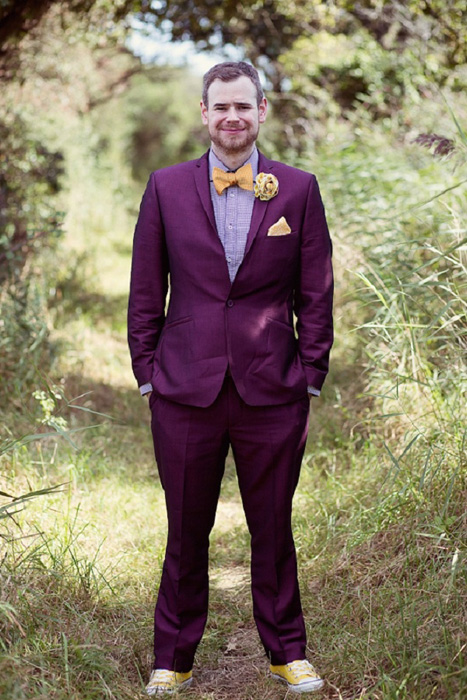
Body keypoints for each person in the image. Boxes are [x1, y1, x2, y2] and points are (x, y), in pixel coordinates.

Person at [128, 61, 333, 696]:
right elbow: (145, 289)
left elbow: (317, 292)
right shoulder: (164, 187)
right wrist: (146, 374)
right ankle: (174, 657)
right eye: (221, 107)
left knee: (273, 524)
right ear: (205, 113)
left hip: (273, 388)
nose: (232, 117)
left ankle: (287, 651)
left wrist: (310, 374)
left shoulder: (297, 190)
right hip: (184, 388)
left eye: (243, 105)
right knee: (185, 527)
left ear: (262, 110)